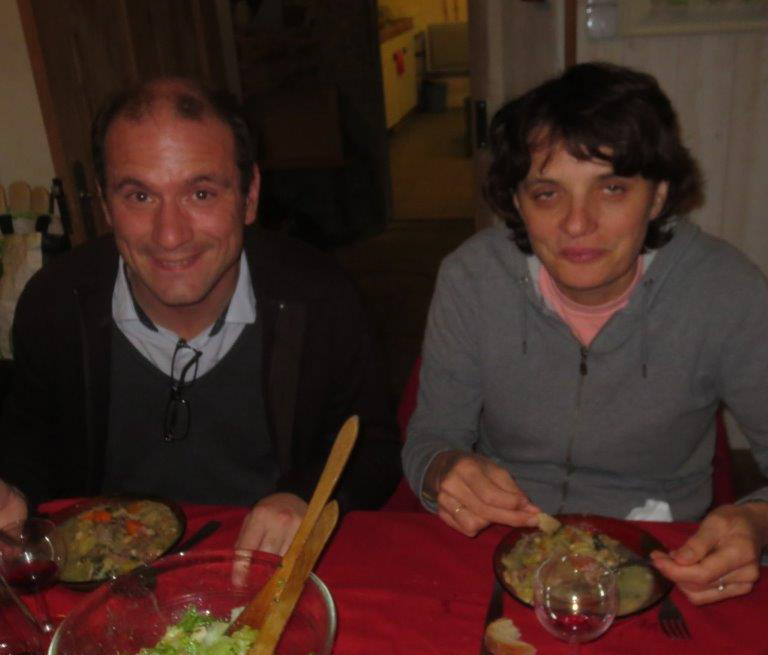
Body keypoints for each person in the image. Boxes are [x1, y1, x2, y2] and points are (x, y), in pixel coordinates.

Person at [402, 62, 768, 605]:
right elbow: (429, 439)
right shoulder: (471, 278)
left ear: (658, 196)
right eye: (547, 194)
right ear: (517, 202)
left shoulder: (726, 291)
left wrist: (756, 521)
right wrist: (443, 471)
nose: (577, 224)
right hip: (502, 545)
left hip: (661, 555)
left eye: (612, 189)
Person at [0, 77, 400, 554]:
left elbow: (372, 446)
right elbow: (31, 439)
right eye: (140, 196)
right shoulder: (53, 304)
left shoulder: (323, 298)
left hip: (266, 563)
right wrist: (16, 492)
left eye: (202, 193)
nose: (170, 236)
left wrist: (304, 498)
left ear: (250, 196)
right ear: (106, 204)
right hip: (107, 570)